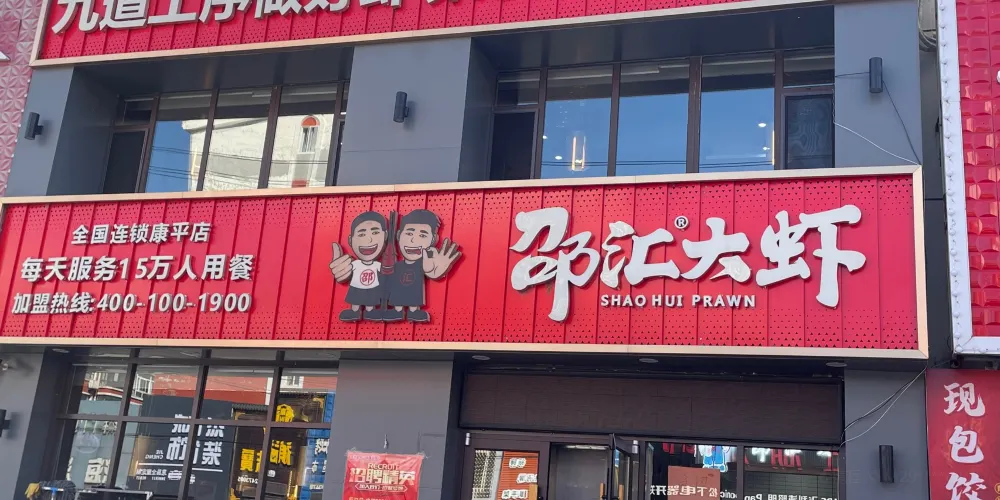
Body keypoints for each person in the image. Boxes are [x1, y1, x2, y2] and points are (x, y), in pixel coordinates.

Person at [383, 209, 461, 322]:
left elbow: (430, 270)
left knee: (414, 298)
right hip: (397, 295)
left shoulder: (423, 264)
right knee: (397, 298)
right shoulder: (396, 265)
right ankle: (397, 310)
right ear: (399, 235)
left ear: (433, 239)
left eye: (422, 235)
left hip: (415, 294)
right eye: (409, 233)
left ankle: (414, 311)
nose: (413, 240)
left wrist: (435, 271)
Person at [329, 211, 388, 322]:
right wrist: (342, 268)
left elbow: (388, 273)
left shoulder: (378, 265)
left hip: (373, 288)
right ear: (350, 240)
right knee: (355, 300)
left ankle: (371, 312)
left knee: (371, 301)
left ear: (385, 236)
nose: (369, 240)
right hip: (356, 287)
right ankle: (354, 311)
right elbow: (345, 268)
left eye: (375, 233)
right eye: (361, 235)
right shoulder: (355, 264)